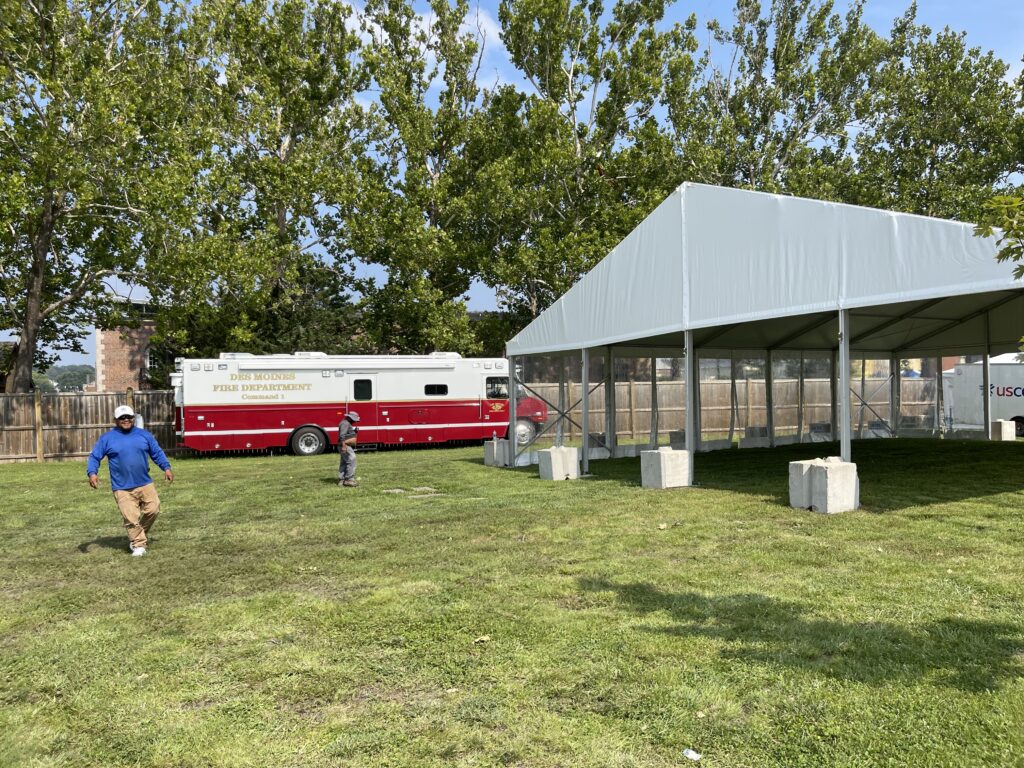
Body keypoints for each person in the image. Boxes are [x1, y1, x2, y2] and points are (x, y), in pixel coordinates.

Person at [87, 405, 174, 556]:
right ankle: (139, 545)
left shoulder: (144, 435)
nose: (126, 420)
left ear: (133, 418)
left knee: (154, 509)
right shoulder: (107, 438)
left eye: (128, 417)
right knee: (131, 518)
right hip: (122, 487)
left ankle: (138, 535)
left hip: (145, 483)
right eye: (122, 418)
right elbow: (95, 456)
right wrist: (92, 473)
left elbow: (157, 452)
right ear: (115, 420)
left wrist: (166, 467)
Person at [337, 411, 360, 487]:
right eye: (354, 419)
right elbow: (342, 435)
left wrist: (354, 432)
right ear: (350, 417)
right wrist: (344, 446)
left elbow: (346, 434)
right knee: (352, 459)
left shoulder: (345, 423)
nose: (354, 421)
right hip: (345, 445)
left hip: (344, 445)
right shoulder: (345, 423)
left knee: (344, 462)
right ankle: (349, 479)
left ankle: (341, 480)